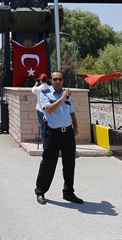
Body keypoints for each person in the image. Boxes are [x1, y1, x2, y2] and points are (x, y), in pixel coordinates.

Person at [34, 71, 83, 206]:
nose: (57, 81)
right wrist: (61, 98)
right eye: (55, 79)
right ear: (50, 80)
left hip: (67, 132)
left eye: (60, 79)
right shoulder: (45, 93)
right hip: (53, 133)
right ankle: (40, 191)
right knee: (48, 163)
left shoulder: (67, 95)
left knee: (69, 163)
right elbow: (48, 109)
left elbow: (71, 111)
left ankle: (68, 192)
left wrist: (76, 127)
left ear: (62, 80)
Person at [31, 73, 51, 141]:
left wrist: (36, 84)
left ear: (40, 80)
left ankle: (44, 142)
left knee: (42, 126)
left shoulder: (38, 89)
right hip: (49, 109)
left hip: (40, 110)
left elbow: (33, 90)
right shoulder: (50, 88)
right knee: (50, 126)